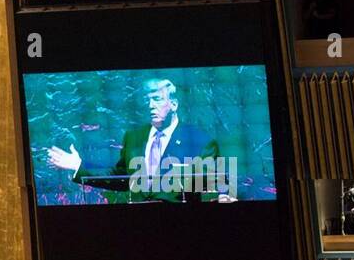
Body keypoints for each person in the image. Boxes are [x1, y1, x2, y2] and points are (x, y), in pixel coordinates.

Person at [45, 76, 222, 203]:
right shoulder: (134, 137)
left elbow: (213, 183)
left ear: (174, 104)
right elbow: (120, 177)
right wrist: (78, 166)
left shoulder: (200, 141)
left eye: (157, 99)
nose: (151, 105)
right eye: (147, 100)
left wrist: (223, 195)